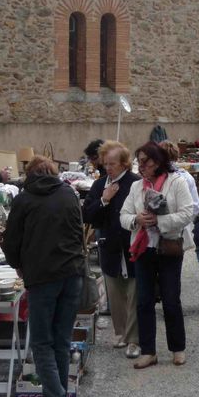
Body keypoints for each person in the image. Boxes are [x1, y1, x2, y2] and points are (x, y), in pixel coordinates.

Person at [2, 156, 84, 397]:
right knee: (61, 340)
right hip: (71, 272)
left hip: (42, 276)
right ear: (52, 172)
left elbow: (11, 239)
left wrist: (18, 265)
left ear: (29, 174)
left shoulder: (24, 199)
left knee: (41, 342)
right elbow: (78, 232)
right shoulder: (68, 193)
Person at [120, 142, 193, 369]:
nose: (141, 166)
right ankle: (148, 351)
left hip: (168, 247)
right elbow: (123, 214)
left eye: (146, 161)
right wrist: (136, 220)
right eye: (139, 161)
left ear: (158, 162)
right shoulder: (136, 187)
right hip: (143, 249)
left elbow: (188, 212)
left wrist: (160, 221)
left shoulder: (176, 182)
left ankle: (177, 348)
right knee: (144, 301)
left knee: (171, 300)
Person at [82, 141, 140, 359]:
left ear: (124, 164)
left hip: (132, 246)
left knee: (135, 294)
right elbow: (88, 215)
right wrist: (104, 200)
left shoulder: (136, 183)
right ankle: (120, 332)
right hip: (110, 246)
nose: (108, 167)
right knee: (115, 295)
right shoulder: (99, 186)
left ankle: (134, 340)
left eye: (112, 164)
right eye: (105, 163)